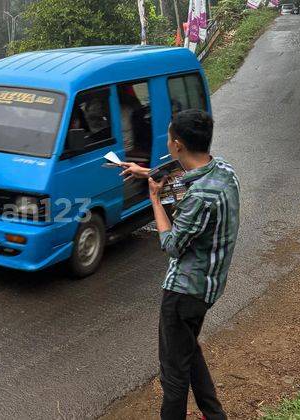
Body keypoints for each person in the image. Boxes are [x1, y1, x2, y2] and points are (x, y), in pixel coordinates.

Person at [119, 110, 240, 420]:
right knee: (188, 351)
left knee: (173, 375)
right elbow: (184, 176)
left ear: (177, 145)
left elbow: (171, 245)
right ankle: (215, 416)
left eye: (170, 139)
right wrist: (146, 172)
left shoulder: (199, 197)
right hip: (208, 288)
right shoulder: (225, 172)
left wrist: (154, 200)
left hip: (183, 293)